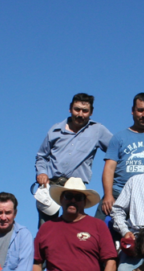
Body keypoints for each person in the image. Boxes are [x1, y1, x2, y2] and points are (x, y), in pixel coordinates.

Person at [35, 93, 113, 226]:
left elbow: (115, 150)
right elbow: (42, 156)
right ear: (70, 109)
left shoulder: (98, 130)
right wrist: (41, 172)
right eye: (77, 109)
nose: (80, 114)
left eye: (85, 111)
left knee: (74, 225)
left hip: (76, 188)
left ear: (91, 112)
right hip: (52, 185)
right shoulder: (55, 129)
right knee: (46, 227)